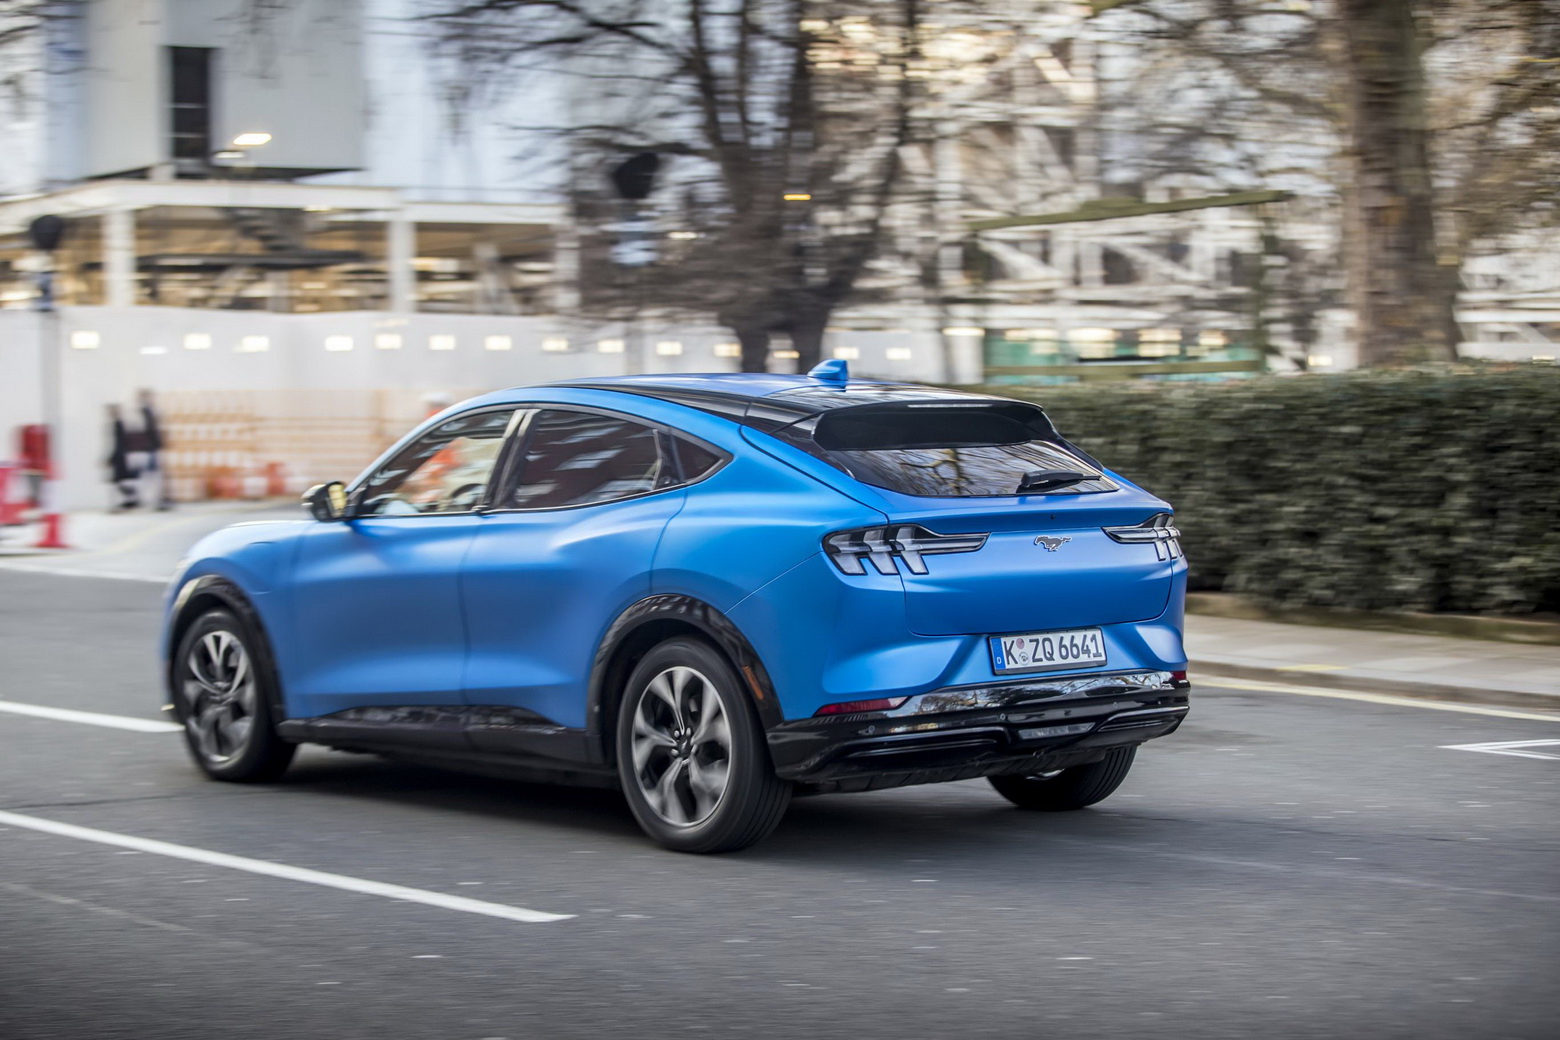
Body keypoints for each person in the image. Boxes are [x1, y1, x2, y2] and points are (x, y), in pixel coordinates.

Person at [137, 389, 172, 510]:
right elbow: (145, 433)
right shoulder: (142, 413)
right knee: (151, 477)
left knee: (155, 476)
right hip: (149, 450)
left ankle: (159, 499)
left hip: (153, 449)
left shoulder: (152, 412)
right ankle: (153, 500)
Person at [106, 404, 139, 511]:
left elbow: (119, 443)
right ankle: (130, 500)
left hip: (121, 456)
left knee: (119, 481)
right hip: (121, 455)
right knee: (120, 481)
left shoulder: (119, 424)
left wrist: (113, 457)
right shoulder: (119, 424)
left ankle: (131, 499)